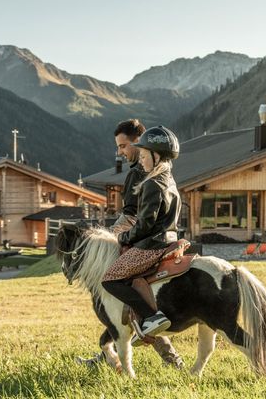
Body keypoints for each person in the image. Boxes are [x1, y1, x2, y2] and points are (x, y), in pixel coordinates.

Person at [108, 120, 183, 366]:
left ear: (153, 154)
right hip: (167, 238)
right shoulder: (167, 178)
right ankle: (108, 351)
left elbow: (137, 220)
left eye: (124, 147)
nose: (123, 153)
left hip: (149, 242)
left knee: (113, 279)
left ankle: (151, 322)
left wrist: (117, 236)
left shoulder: (148, 180)